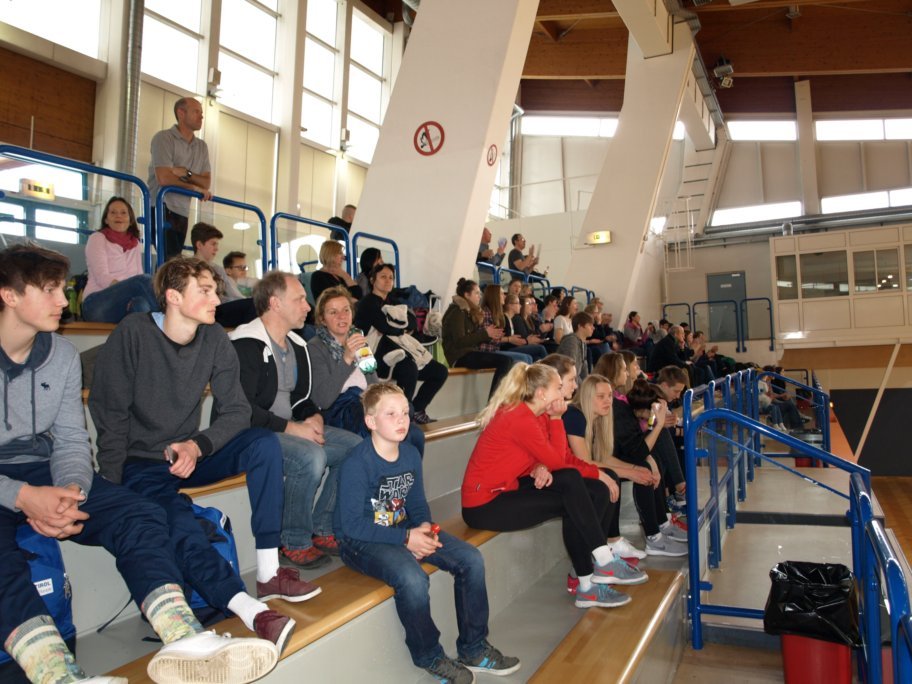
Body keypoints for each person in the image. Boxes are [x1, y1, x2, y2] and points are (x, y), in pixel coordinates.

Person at [0, 244, 282, 684]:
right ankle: (58, 674)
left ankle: (184, 635)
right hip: (110, 465)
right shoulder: (134, 333)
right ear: (10, 295)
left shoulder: (61, 353)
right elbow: (109, 419)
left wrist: (74, 490)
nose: (63, 301)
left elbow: (71, 439)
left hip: (56, 469)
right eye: (50, 290)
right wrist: (22, 496)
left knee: (142, 515)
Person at [89, 257, 319, 650]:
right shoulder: (134, 333)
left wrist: (197, 445)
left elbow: (237, 411)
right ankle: (247, 608)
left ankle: (268, 572)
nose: (217, 299)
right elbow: (109, 413)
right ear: (174, 297)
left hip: (193, 452)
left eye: (216, 290)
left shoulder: (213, 337)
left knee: (263, 444)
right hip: (143, 462)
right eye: (206, 291)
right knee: (179, 523)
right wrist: (112, 485)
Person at [336, 383, 521, 684]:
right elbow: (351, 525)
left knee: (471, 559)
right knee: (412, 578)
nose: (401, 420)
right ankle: (429, 656)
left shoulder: (409, 453)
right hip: (360, 541)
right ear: (370, 421)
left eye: (405, 412)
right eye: (391, 414)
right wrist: (406, 539)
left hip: (402, 529)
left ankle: (473, 648)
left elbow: (417, 504)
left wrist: (424, 528)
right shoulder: (357, 463)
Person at [462, 363, 647, 611]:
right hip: (484, 505)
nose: (567, 391)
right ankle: (599, 565)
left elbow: (553, 458)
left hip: (510, 487)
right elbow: (558, 461)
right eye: (559, 387)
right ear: (541, 393)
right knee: (573, 492)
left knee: (592, 489)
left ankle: (590, 577)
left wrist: (542, 465)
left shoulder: (538, 415)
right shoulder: (520, 417)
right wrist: (557, 421)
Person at [228, 272, 362, 570]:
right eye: (300, 299)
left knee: (354, 446)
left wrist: (313, 417)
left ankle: (322, 526)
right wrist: (292, 428)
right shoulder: (244, 344)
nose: (307, 306)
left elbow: (301, 398)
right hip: (251, 433)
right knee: (310, 456)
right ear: (275, 303)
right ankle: (293, 540)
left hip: (286, 427)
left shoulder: (297, 346)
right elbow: (242, 410)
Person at [309, 287, 426, 455]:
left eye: (346, 310)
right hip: (339, 409)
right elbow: (324, 399)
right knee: (385, 428)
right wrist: (347, 359)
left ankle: (405, 470)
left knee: (414, 431)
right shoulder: (315, 347)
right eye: (333, 312)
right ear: (322, 319)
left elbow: (373, 383)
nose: (342, 316)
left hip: (365, 401)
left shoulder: (359, 341)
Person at [353, 264, 448, 424]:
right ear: (373, 280)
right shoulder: (367, 303)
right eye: (383, 277)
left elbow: (412, 322)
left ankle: (416, 409)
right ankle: (402, 416)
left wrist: (398, 327)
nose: (388, 280)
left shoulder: (394, 301)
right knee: (409, 368)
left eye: (391, 277)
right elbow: (385, 327)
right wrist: (400, 328)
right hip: (374, 356)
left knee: (439, 371)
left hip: (400, 350)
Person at [148, 97, 212, 259]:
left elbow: (206, 183)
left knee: (173, 260)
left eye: (201, 112)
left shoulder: (201, 147)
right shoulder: (164, 138)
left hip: (182, 211)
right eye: (196, 111)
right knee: (169, 261)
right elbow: (164, 178)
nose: (201, 116)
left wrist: (186, 173)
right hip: (162, 206)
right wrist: (194, 186)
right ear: (181, 113)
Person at [80, 196, 158, 323]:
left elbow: (138, 273)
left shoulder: (135, 243)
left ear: (130, 220)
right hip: (96, 304)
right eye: (113, 213)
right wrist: (127, 291)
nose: (118, 216)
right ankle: (168, 319)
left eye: (123, 213)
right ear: (106, 219)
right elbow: (102, 277)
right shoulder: (97, 238)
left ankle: (149, 335)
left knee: (141, 304)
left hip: (122, 306)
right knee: (143, 280)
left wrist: (129, 295)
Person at [440, 278, 513, 398]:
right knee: (505, 361)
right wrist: (486, 334)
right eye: (477, 293)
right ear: (467, 295)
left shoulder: (469, 311)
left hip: (469, 353)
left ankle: (497, 400)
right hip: (460, 357)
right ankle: (493, 402)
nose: (480, 296)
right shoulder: (458, 311)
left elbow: (473, 338)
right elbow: (459, 341)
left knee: (508, 361)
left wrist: (490, 335)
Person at [190, 222, 257, 328]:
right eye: (213, 244)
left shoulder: (218, 270)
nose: (216, 248)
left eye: (217, 244)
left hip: (219, 309)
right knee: (254, 305)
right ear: (199, 245)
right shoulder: (186, 268)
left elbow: (234, 294)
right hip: (207, 309)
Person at [309, 240, 361, 312]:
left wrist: (345, 276)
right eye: (340, 253)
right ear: (330, 254)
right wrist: (355, 301)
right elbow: (331, 298)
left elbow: (358, 294)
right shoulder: (318, 276)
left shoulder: (340, 276)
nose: (343, 257)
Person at [556, 311, 594, 384]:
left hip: (574, 381)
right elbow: (570, 369)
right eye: (590, 325)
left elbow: (583, 369)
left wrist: (587, 384)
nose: (593, 328)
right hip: (565, 382)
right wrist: (581, 387)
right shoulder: (571, 341)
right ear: (580, 326)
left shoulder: (583, 343)